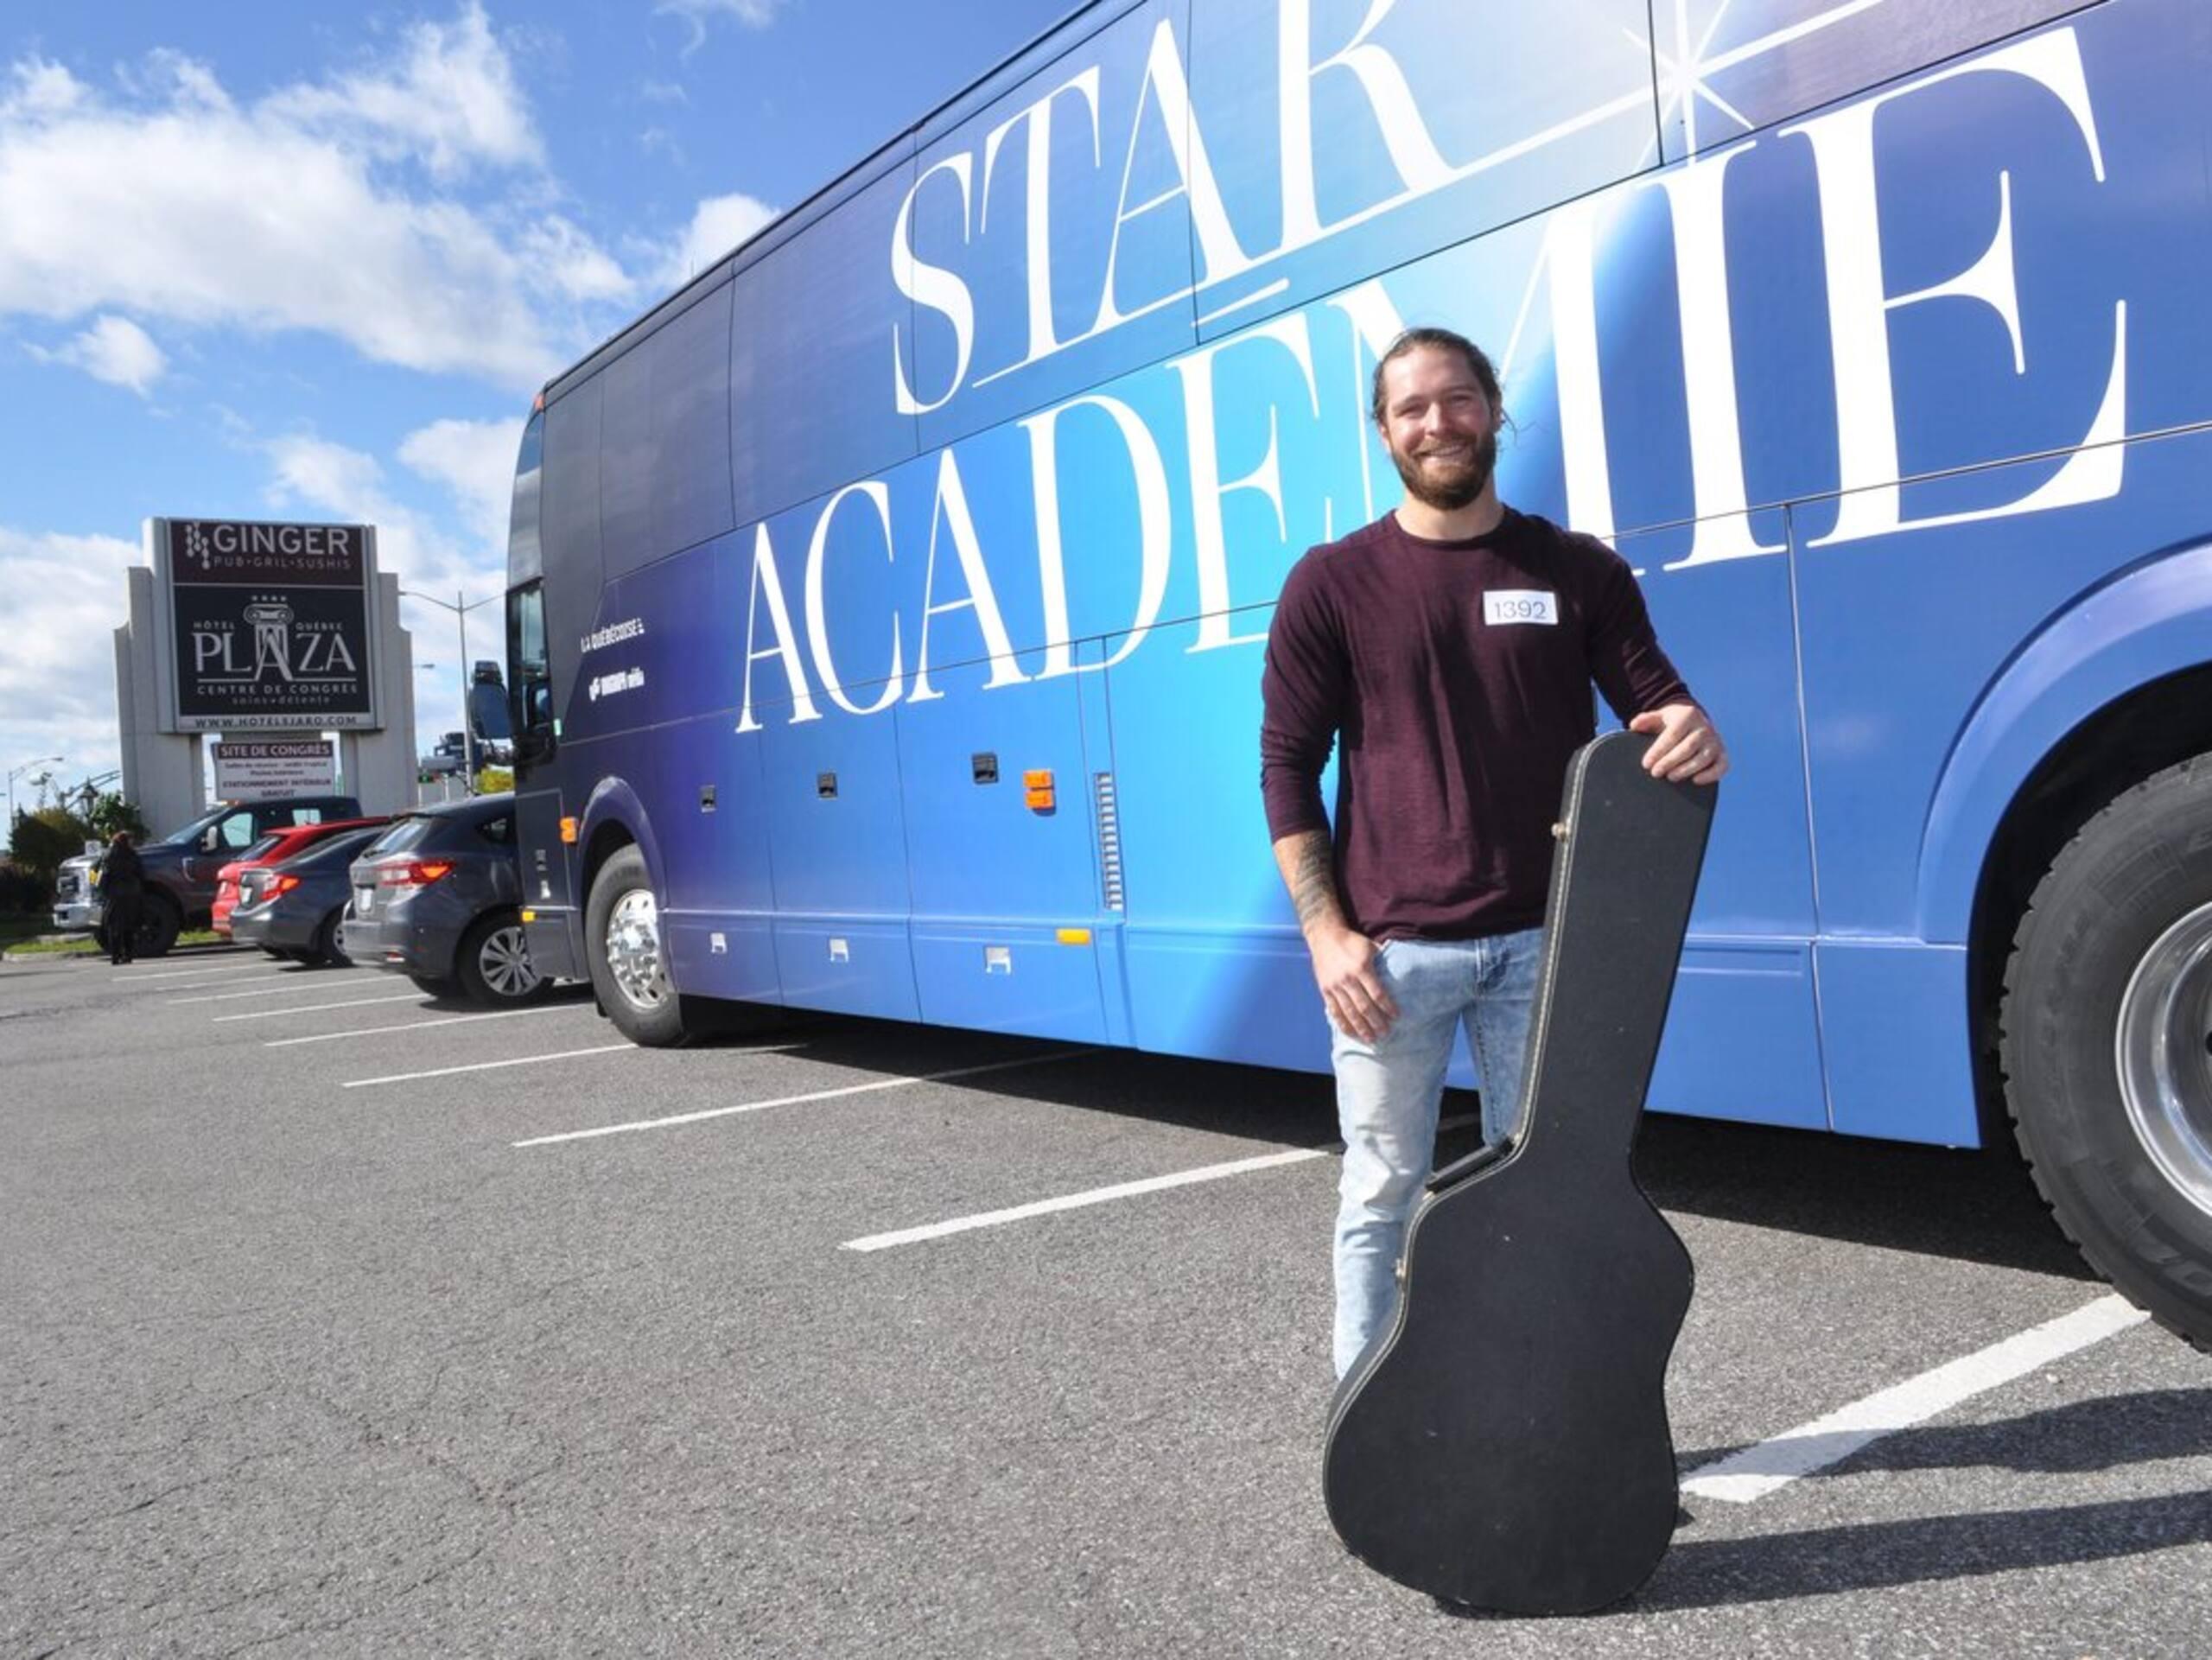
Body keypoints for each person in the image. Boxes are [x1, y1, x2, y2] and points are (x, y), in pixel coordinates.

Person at [1259, 326, 1730, 1379]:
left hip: (1548, 949)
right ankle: (1368, 1431)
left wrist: (1691, 725)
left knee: (1553, 1202)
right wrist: (1326, 934)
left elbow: (1656, 704)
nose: (1438, 422)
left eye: (1456, 398)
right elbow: (1285, 766)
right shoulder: (1331, 584)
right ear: (1381, 431)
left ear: (1494, 408)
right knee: (1380, 1195)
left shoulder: (1573, 569)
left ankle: (1544, 1428)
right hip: (1391, 959)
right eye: (1411, 407)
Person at [99, 830, 145, 966]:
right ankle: (128, 955)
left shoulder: (107, 855)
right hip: (132, 894)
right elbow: (141, 874)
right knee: (129, 927)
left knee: (114, 927)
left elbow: (102, 875)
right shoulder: (132, 855)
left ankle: (115, 956)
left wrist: (103, 892)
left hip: (114, 895)